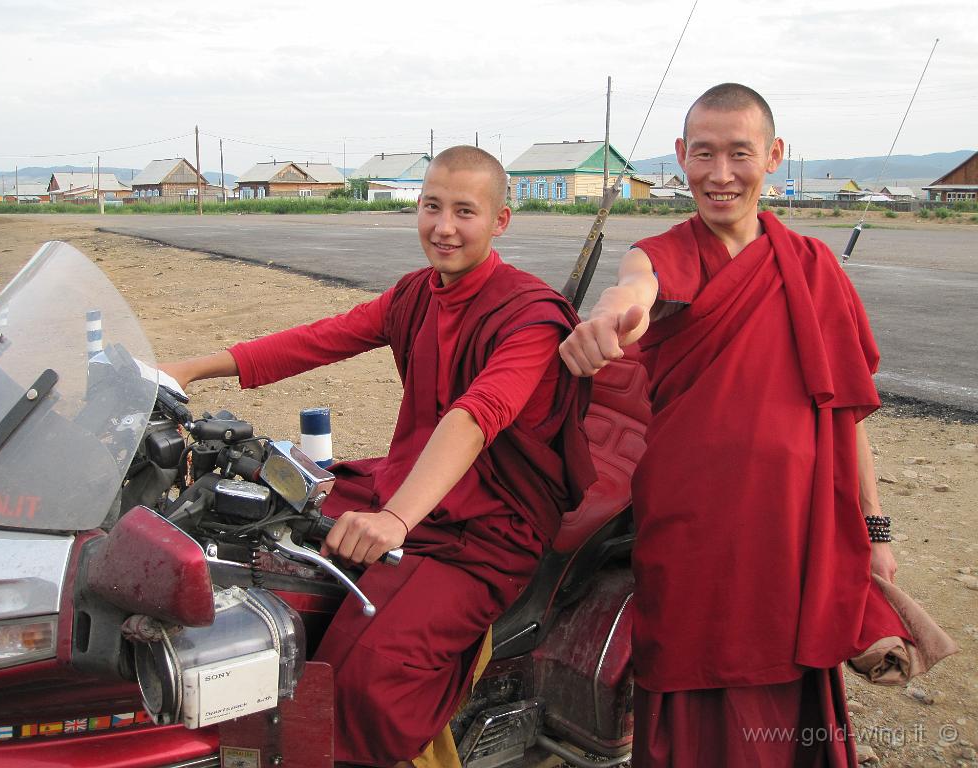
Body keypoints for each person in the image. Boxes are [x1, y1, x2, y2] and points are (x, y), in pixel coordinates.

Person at [161, 145, 596, 767]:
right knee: (253, 531)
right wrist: (187, 370)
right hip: (407, 484)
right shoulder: (417, 294)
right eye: (431, 206)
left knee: (362, 674)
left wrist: (396, 521)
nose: (444, 227)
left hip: (486, 525)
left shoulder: (529, 319)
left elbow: (474, 417)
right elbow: (320, 340)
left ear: (499, 221)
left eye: (464, 212)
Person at [559, 84, 910, 766]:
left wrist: (875, 534)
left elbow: (846, 419)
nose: (721, 174)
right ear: (679, 158)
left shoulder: (812, 271)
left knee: (787, 682)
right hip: (694, 529)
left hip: (796, 528)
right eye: (703, 154)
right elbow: (636, 286)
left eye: (740, 153)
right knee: (689, 678)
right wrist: (609, 315)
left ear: (774, 155)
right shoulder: (662, 252)